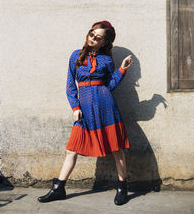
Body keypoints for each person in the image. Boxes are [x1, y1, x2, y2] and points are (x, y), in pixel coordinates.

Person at [38, 21, 133, 206]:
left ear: (105, 42)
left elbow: (110, 85)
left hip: (106, 106)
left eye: (98, 37)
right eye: (91, 33)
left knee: (117, 148)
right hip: (85, 109)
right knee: (71, 149)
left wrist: (122, 69)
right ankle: (59, 188)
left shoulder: (106, 60)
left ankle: (122, 187)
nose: (92, 38)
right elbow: (70, 87)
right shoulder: (76, 55)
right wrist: (75, 107)